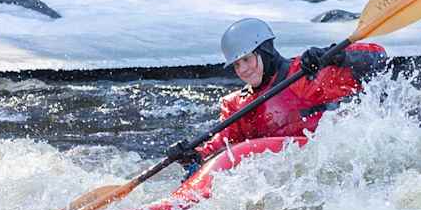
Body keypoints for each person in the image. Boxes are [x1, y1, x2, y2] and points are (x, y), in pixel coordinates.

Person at [165, 18, 387, 172]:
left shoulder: (304, 74)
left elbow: (378, 58)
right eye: (236, 65)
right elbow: (221, 147)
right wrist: (193, 155)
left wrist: (337, 57)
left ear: (265, 52)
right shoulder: (237, 105)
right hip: (277, 179)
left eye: (247, 59)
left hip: (322, 162)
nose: (242, 69)